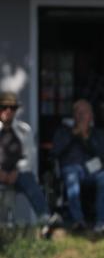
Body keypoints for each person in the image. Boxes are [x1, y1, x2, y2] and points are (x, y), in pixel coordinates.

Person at [50, 99, 104, 232]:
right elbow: (55, 152)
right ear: (73, 115)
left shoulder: (98, 133)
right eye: (78, 113)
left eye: (84, 113)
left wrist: (85, 138)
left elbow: (101, 155)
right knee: (72, 177)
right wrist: (72, 136)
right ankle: (77, 220)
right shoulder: (63, 131)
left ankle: (102, 221)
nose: (81, 116)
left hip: (93, 171)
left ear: (91, 115)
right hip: (71, 169)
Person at [0, 92, 55, 236]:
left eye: (11, 108)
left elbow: (29, 158)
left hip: (16, 173)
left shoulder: (24, 130)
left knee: (29, 180)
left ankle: (45, 219)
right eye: (4, 107)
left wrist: (15, 171)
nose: (8, 111)